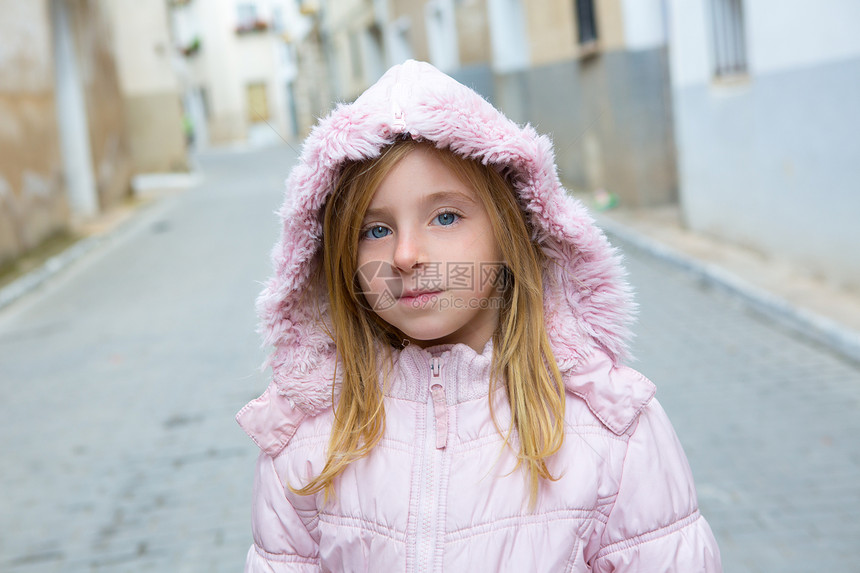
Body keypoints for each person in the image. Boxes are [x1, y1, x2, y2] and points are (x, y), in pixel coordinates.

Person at [236, 60, 722, 571]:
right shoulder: (306, 442)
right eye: (374, 229)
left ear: (510, 233)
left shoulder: (613, 429)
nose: (405, 255)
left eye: (445, 217)